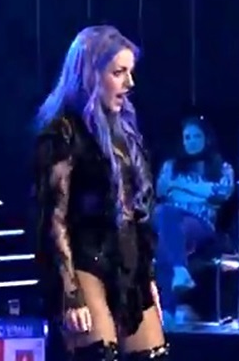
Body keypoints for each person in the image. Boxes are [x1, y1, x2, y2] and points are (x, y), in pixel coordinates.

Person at [34, 26, 169, 360]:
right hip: (84, 259)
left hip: (127, 260)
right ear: (90, 74)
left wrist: (147, 277)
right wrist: (69, 293)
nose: (129, 83)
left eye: (130, 72)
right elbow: (53, 217)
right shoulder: (63, 132)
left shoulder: (125, 131)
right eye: (118, 72)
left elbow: (137, 213)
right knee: (99, 354)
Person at [153, 117, 234, 324]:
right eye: (187, 137)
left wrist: (179, 188)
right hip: (172, 222)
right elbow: (161, 191)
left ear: (206, 138)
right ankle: (178, 274)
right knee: (164, 216)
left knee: (166, 225)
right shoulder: (170, 166)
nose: (191, 141)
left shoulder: (222, 167)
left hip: (202, 223)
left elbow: (221, 193)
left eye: (197, 136)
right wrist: (201, 192)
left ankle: (170, 308)